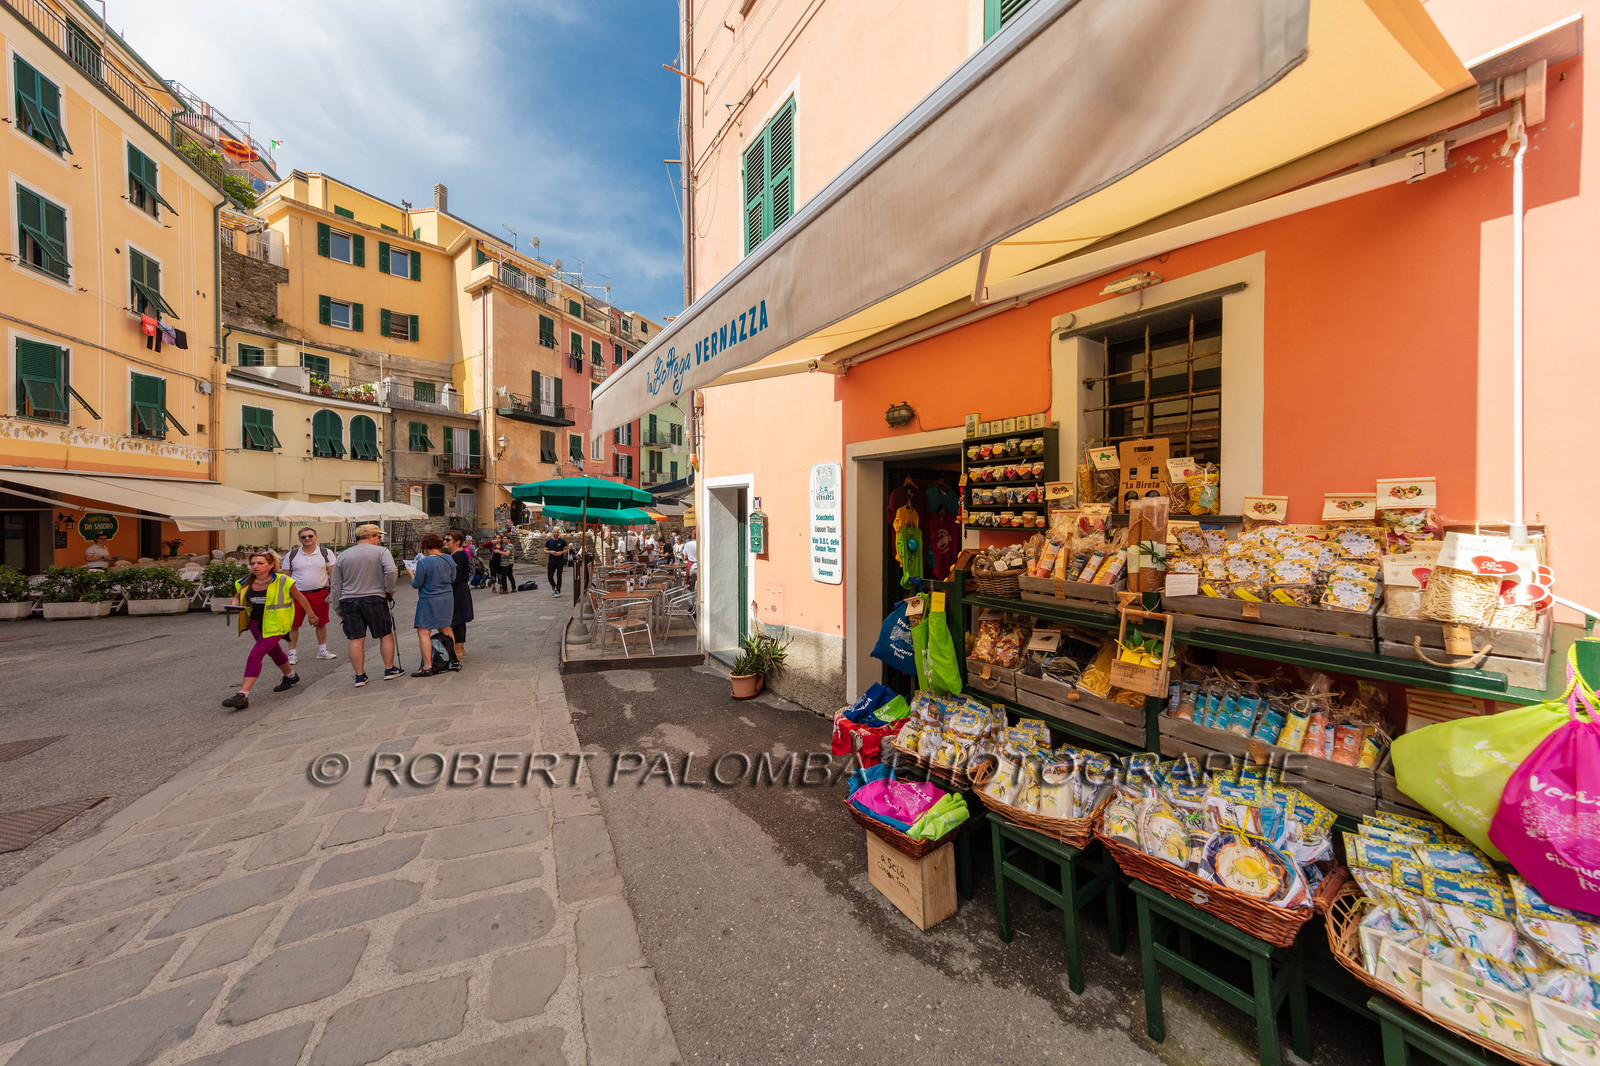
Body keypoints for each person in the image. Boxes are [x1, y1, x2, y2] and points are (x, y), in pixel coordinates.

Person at [221, 550, 317, 711]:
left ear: (271, 565)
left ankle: (242, 695)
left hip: (276, 624)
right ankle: (291, 676)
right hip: (255, 624)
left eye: (260, 563)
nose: (255, 566)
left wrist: (311, 615)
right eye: (253, 563)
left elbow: (300, 597)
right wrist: (234, 603)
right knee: (274, 652)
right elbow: (237, 596)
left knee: (255, 655)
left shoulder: (283, 580)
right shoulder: (246, 581)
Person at [329, 523, 403, 687]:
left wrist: (337, 606)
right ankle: (389, 669)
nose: (379, 540)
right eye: (378, 537)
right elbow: (391, 570)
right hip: (374, 597)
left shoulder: (343, 555)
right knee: (385, 634)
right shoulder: (381, 552)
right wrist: (389, 589)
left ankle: (360, 676)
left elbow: (335, 584)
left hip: (349, 600)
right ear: (370, 536)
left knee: (356, 638)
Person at [282, 526, 337, 665]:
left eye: (310, 536)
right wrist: (284, 595)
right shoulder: (292, 555)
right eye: (303, 537)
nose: (307, 539)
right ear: (299, 539)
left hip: (320, 592)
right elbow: (285, 577)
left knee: (321, 622)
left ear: (316, 537)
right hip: (297, 594)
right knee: (293, 624)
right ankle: (292, 653)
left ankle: (322, 650)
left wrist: (332, 593)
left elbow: (333, 574)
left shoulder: (326, 553)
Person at [410, 533, 456, 677]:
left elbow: (416, 583)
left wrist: (411, 574)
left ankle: (427, 666)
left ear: (425, 546)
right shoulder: (448, 559)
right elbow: (453, 578)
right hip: (447, 597)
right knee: (446, 630)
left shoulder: (424, 562)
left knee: (423, 631)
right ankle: (451, 659)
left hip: (429, 598)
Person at [443, 530, 474, 662]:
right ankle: (459, 647)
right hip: (458, 588)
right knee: (457, 619)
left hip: (458, 589)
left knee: (458, 619)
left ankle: (459, 648)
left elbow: (457, 576)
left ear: (457, 542)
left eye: (448, 540)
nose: (445, 541)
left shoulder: (459, 555)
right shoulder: (455, 555)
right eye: (444, 539)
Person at [545, 528, 569, 595]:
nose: (556, 533)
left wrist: (561, 552)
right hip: (551, 561)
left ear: (559, 533)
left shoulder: (562, 541)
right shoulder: (549, 541)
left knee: (559, 576)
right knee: (550, 576)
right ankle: (553, 585)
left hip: (559, 561)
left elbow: (566, 549)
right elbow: (545, 550)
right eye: (555, 532)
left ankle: (558, 590)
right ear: (552, 532)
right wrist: (550, 552)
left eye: (557, 532)